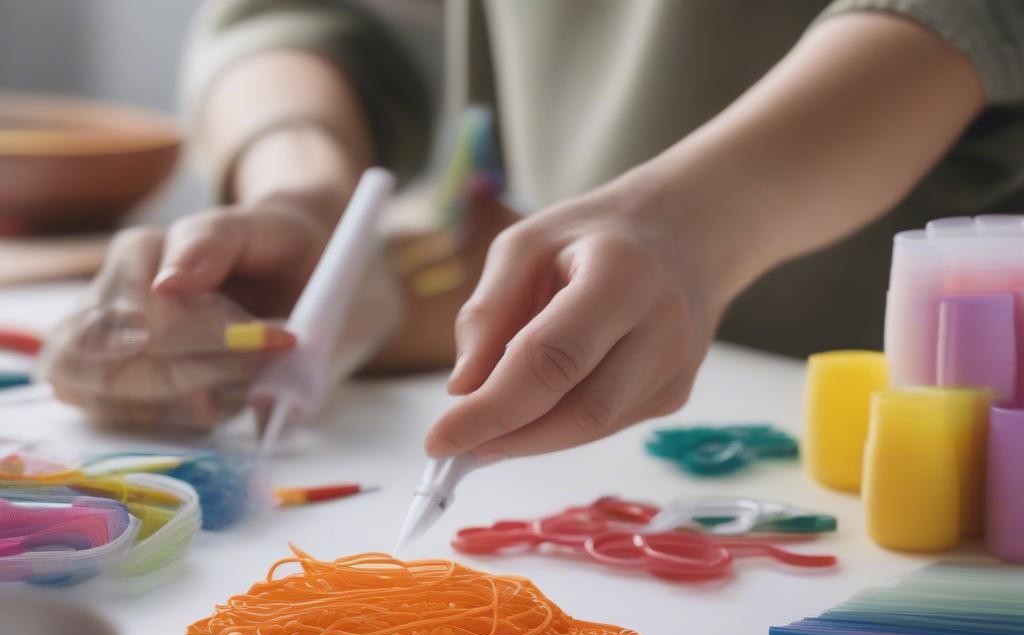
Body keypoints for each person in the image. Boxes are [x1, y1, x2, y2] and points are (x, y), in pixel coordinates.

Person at [47, 0, 1024, 457]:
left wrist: (696, 224)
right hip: (575, 373)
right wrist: (301, 196)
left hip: (955, 420)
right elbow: (308, 15)